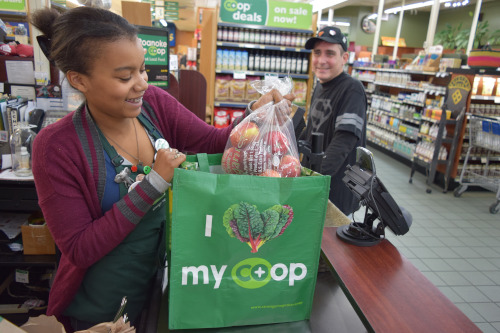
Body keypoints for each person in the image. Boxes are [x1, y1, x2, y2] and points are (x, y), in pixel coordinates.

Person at [30, 7, 292, 332]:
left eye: (142, 70)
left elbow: (214, 141)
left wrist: (256, 115)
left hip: (159, 286)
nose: (141, 84)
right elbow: (80, 249)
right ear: (79, 79)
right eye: (125, 77)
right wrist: (152, 184)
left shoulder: (153, 104)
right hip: (100, 310)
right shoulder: (55, 147)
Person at [299, 26, 367, 216]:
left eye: (330, 53)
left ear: (344, 58)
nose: (321, 60)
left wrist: (315, 180)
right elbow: (312, 128)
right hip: (317, 184)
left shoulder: (352, 89)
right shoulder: (320, 86)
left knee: (330, 243)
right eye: (317, 53)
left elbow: (343, 142)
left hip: (337, 189)